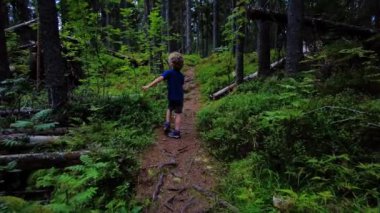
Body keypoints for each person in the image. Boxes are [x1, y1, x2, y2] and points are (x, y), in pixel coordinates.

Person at [142, 52, 184, 139]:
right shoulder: (181, 76)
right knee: (178, 114)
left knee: (169, 109)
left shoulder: (168, 72)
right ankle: (177, 132)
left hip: (171, 97)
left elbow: (159, 79)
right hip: (179, 98)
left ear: (171, 63)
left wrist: (148, 86)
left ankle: (167, 124)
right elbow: (181, 84)